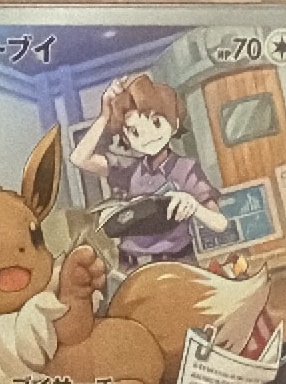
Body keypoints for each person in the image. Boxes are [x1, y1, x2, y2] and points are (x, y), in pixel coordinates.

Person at [70, 74, 229, 267]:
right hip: (131, 266)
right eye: (135, 131)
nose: (147, 136)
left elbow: (220, 223)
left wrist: (194, 206)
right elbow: (79, 158)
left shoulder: (186, 169)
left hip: (176, 264)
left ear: (174, 124)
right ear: (126, 138)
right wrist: (105, 116)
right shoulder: (128, 169)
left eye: (156, 123)